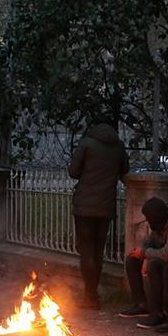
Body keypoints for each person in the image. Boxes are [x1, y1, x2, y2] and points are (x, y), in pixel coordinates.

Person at [68, 120, 129, 310]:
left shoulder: (86, 144)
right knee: (98, 251)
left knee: (86, 251)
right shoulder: (118, 147)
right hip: (105, 206)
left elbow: (73, 172)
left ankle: (90, 296)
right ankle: (92, 295)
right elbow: (124, 171)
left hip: (84, 206)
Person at [118, 197, 168, 330]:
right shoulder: (158, 224)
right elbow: (149, 242)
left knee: (154, 264)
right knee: (132, 260)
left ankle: (157, 313)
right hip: (163, 258)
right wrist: (143, 255)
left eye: (149, 218)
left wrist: (145, 254)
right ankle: (142, 304)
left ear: (156, 216)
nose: (148, 222)